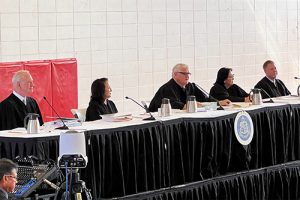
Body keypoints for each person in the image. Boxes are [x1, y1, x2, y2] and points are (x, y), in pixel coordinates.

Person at [148, 63, 231, 112]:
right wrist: (194, 105)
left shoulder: (191, 86)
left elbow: (205, 99)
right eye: (184, 73)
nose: (187, 76)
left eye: (188, 73)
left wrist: (218, 103)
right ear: (175, 75)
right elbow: (176, 105)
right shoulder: (167, 88)